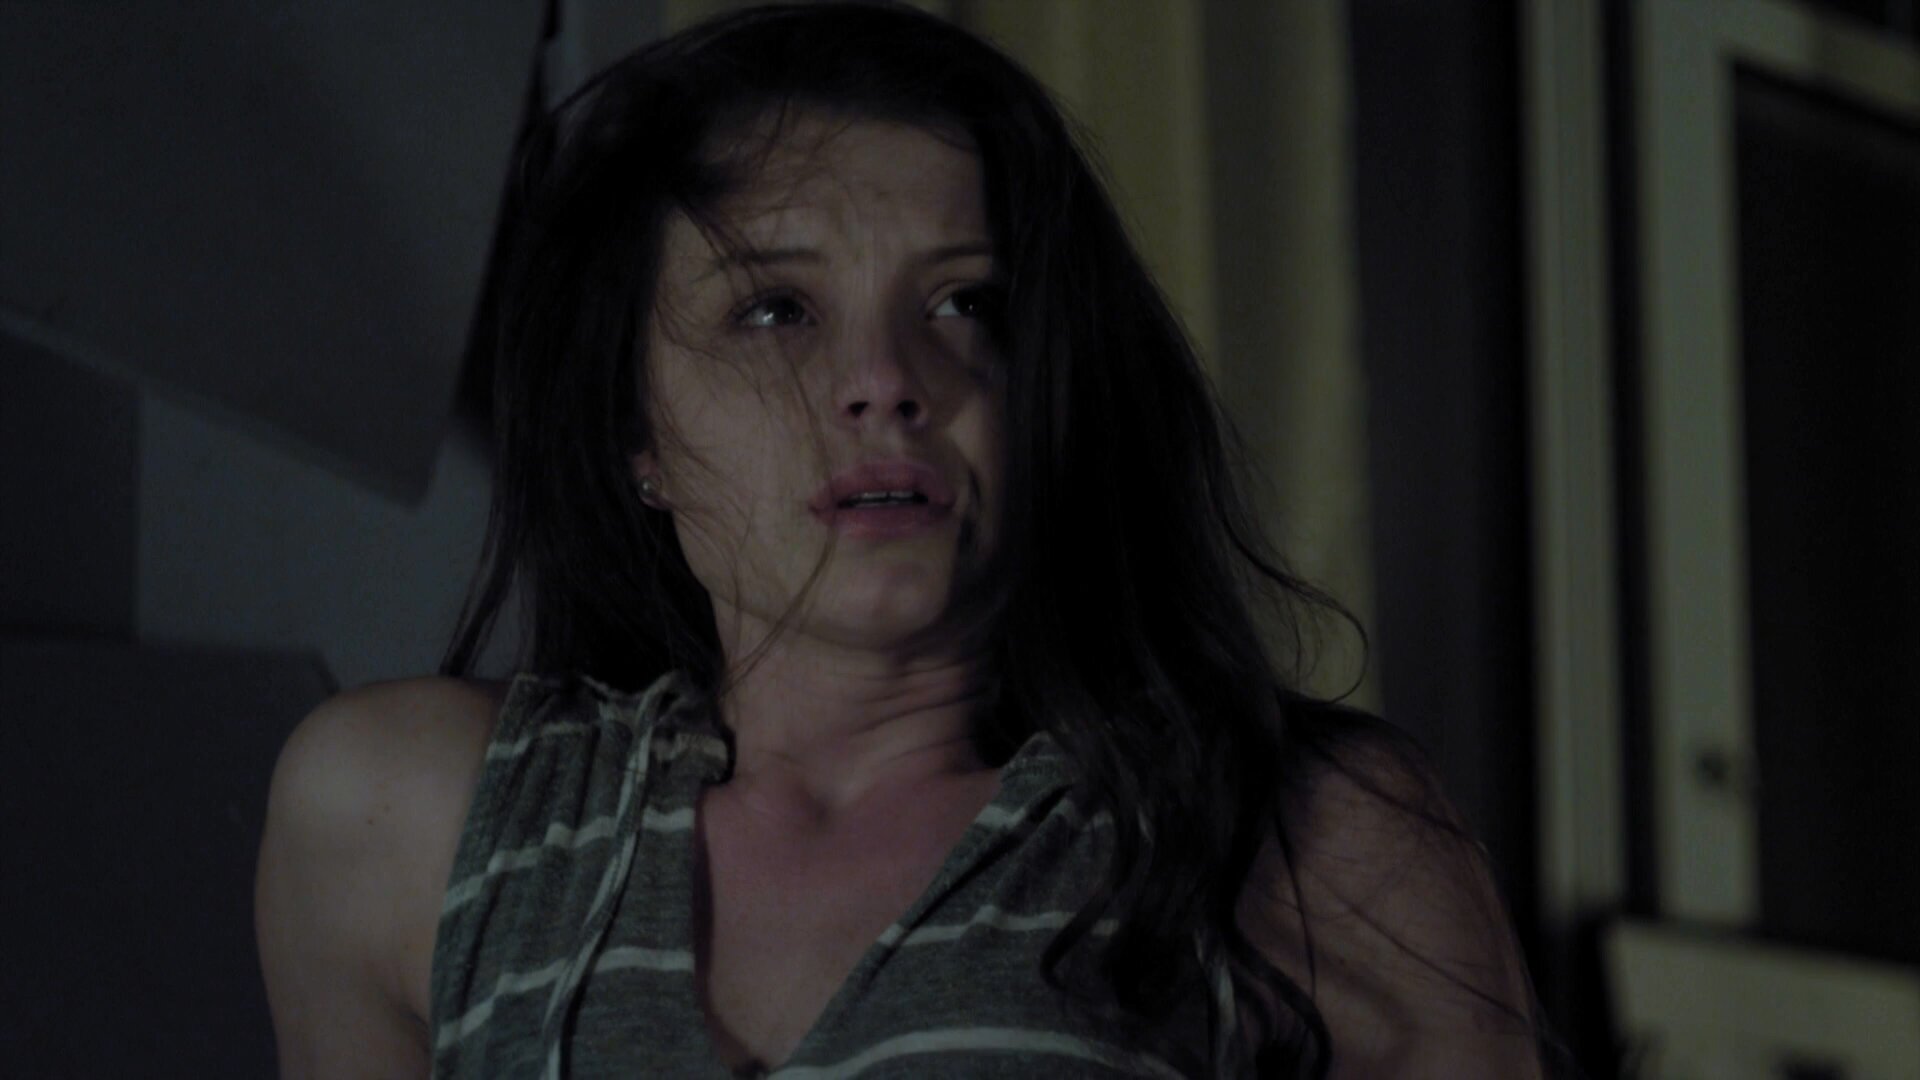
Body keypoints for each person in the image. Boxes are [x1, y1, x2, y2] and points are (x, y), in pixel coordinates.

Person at [255, 3, 1565, 1077]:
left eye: (963, 304)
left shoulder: (1311, 842)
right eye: (775, 311)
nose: (885, 381)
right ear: (634, 431)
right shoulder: (401, 816)